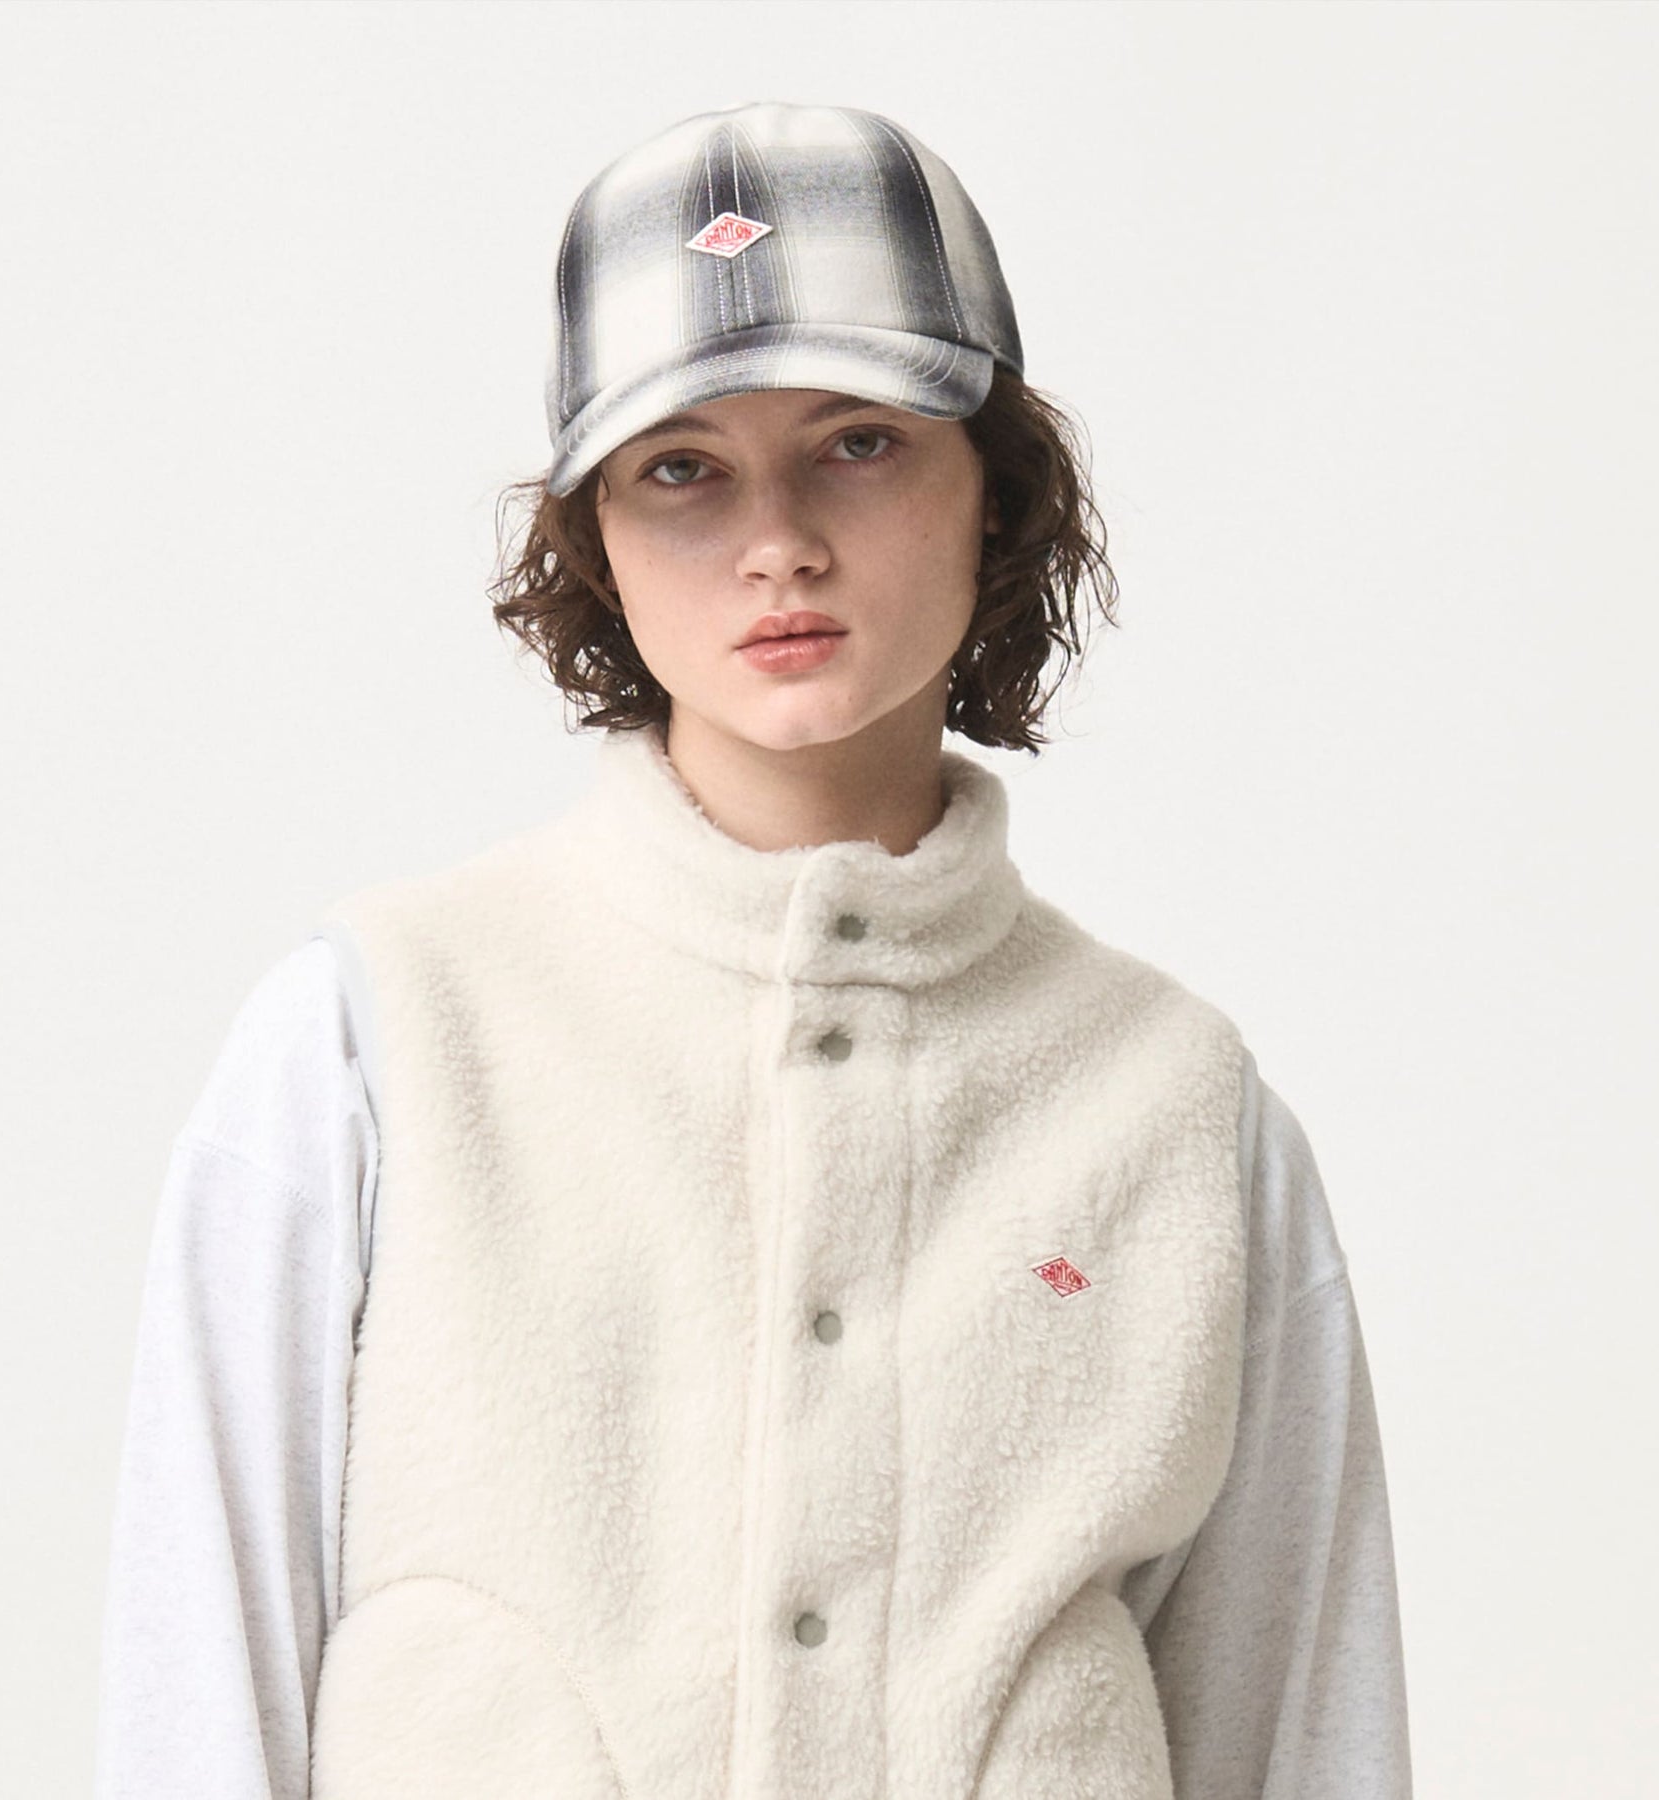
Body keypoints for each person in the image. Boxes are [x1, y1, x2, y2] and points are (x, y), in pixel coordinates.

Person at [94, 101, 1412, 1798]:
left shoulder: (1183, 1114)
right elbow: (197, 1708)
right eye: (681, 468)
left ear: (996, 491)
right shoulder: (371, 1046)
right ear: (593, 535)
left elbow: (1305, 1740)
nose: (777, 538)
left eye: (858, 441)